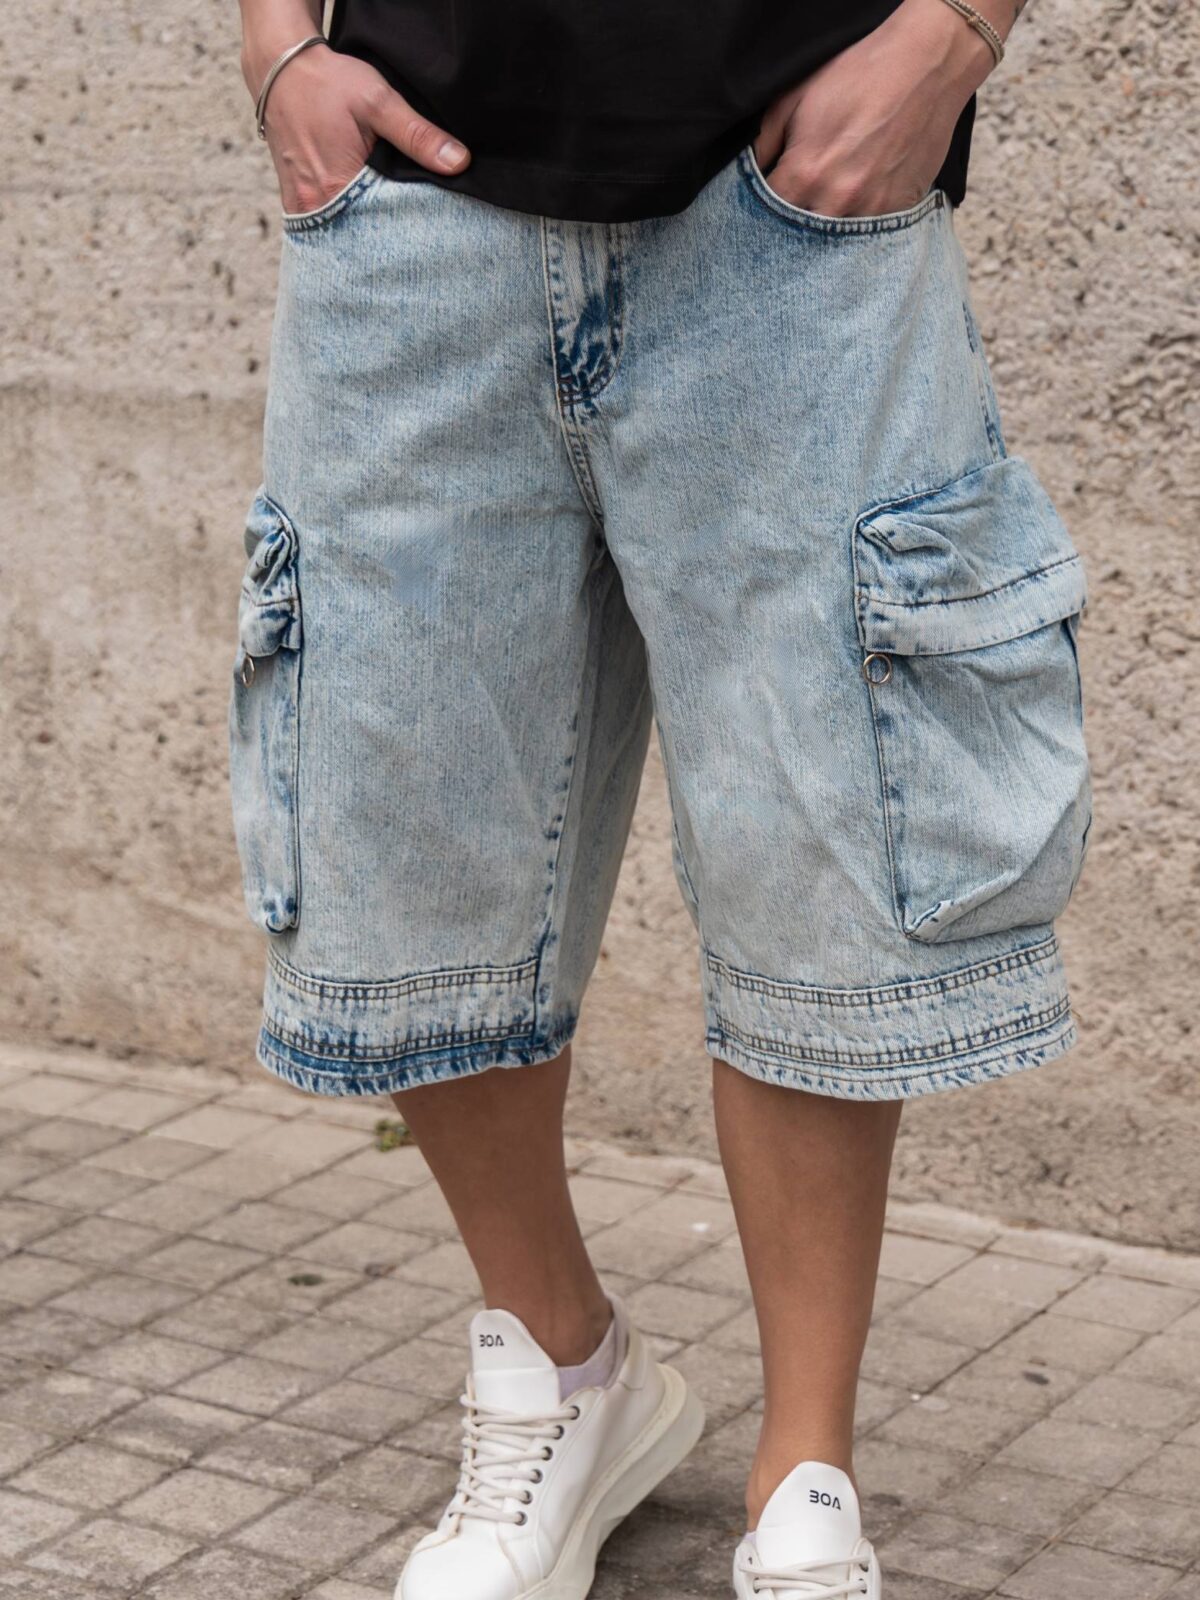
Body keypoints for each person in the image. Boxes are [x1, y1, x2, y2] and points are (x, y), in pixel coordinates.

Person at [229, 0, 1091, 1594]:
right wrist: (282, 50)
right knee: (408, 856)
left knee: (823, 850)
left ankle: (806, 1472)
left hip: (796, 213)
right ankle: (561, 1361)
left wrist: (953, 33)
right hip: (413, 200)